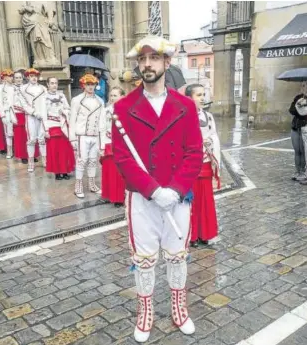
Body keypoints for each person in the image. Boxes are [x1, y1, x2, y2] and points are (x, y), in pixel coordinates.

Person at [113, 35, 203, 342]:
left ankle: (180, 308)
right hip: (142, 198)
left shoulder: (186, 106)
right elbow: (123, 157)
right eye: (142, 60)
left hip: (177, 198)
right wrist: (153, 190)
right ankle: (145, 311)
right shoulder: (123, 108)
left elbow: (194, 152)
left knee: (177, 256)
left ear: (166, 63)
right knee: (145, 259)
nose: (147, 65)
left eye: (153, 59)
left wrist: (176, 190)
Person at [185, 84, 221, 247]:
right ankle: (191, 235)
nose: (202, 98)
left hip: (205, 163)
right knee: (190, 201)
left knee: (205, 200)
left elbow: (214, 135)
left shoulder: (209, 117)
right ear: (189, 98)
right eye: (198, 95)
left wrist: (210, 142)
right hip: (190, 166)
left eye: (203, 94)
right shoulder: (182, 117)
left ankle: (205, 233)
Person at [70, 73, 105, 197]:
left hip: (95, 135)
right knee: (82, 160)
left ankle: (92, 184)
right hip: (82, 135)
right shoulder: (77, 100)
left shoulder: (100, 101)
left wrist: (102, 142)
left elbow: (102, 123)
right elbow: (72, 120)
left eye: (93, 84)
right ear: (83, 85)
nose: (90, 87)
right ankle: (78, 185)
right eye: (88, 84)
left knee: (92, 161)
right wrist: (72, 138)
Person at [99, 86, 126, 206]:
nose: (112, 97)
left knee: (121, 172)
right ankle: (110, 194)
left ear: (122, 96)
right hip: (109, 143)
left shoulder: (127, 110)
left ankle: (121, 196)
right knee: (110, 170)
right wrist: (102, 145)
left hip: (123, 144)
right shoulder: (106, 111)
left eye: (115, 95)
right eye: (111, 95)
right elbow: (102, 128)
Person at [44, 77, 74, 180]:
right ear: (48, 84)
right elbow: (43, 115)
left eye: (55, 83)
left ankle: (65, 171)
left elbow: (68, 108)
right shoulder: (44, 97)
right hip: (52, 125)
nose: (54, 85)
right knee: (55, 150)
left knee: (64, 150)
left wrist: (64, 111)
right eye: (52, 83)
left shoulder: (62, 95)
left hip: (62, 125)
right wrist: (46, 129)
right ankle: (57, 172)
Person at [289, 79, 307, 181]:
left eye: (304, 85)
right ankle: (298, 171)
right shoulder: (298, 97)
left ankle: (305, 172)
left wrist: (305, 106)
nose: (302, 88)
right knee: (297, 151)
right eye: (301, 85)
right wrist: (299, 105)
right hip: (295, 126)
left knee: (305, 151)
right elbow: (291, 110)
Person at [20, 68, 48, 172]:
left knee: (42, 139)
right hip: (31, 116)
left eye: (35, 76)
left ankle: (45, 160)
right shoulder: (23, 88)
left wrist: (44, 114)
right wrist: (33, 112)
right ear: (27, 77)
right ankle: (31, 162)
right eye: (31, 76)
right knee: (31, 139)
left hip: (42, 116)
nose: (34, 78)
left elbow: (47, 102)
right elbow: (23, 103)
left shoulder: (43, 88)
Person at [11, 70, 33, 164]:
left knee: (30, 134)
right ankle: (23, 155)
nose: (19, 79)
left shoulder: (26, 88)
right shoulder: (10, 89)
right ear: (13, 79)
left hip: (27, 113)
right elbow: (9, 103)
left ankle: (32, 154)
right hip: (17, 113)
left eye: (20, 77)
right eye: (16, 78)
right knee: (20, 136)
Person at [0, 69, 17, 159]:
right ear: (4, 77)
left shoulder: (15, 87)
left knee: (16, 131)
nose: (11, 78)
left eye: (11, 76)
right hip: (7, 111)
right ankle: (9, 150)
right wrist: (2, 115)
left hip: (15, 112)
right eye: (9, 76)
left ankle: (17, 149)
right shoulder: (0, 88)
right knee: (8, 132)